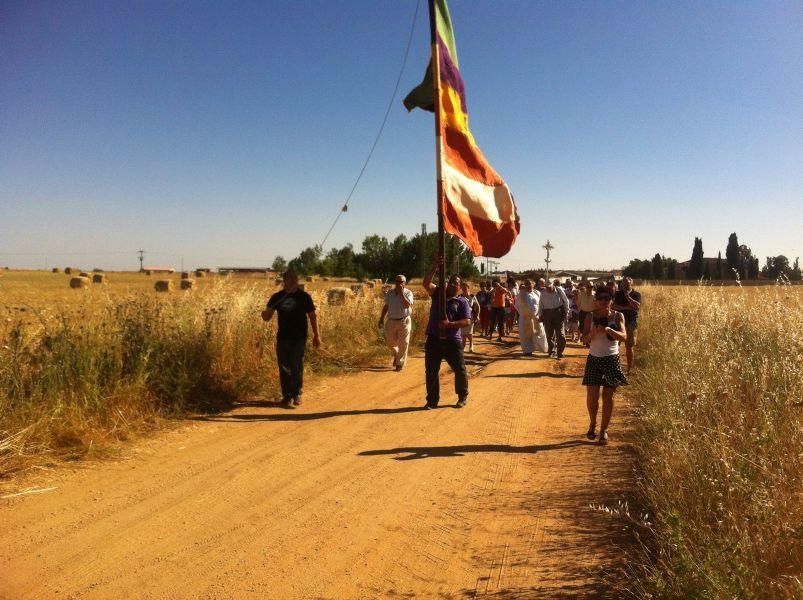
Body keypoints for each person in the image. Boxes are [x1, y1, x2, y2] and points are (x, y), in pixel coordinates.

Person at [261, 270, 321, 407]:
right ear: (284, 280)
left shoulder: (304, 297)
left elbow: (313, 316)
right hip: (283, 336)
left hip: (299, 336)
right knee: (284, 366)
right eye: (291, 278)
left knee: (295, 364)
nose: (294, 280)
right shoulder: (277, 297)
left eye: (295, 277)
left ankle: (297, 394)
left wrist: (317, 335)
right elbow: (267, 317)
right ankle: (286, 395)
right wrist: (264, 314)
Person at [422, 257, 472, 409]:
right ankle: (432, 400)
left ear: (460, 287)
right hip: (434, 339)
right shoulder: (438, 293)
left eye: (456, 283)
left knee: (460, 369)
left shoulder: (462, 302)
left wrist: (450, 324)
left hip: (452, 341)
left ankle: (462, 396)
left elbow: (467, 321)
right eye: (450, 281)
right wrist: (435, 267)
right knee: (431, 371)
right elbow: (425, 284)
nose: (452, 284)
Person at [581, 285, 628, 444]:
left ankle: (603, 430)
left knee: (608, 397)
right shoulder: (589, 317)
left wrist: (610, 331)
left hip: (611, 359)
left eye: (607, 298)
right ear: (595, 301)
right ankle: (593, 424)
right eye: (600, 298)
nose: (603, 301)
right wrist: (593, 334)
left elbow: (624, 337)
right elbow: (584, 340)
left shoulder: (618, 316)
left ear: (611, 300)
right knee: (592, 397)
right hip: (594, 359)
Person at [378, 274, 415, 371]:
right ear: (395, 282)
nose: (399, 284)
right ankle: (397, 355)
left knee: (404, 343)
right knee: (390, 342)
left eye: (401, 282)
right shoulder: (390, 293)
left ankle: (399, 364)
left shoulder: (408, 293)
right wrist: (381, 318)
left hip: (404, 320)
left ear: (404, 283)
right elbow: (386, 306)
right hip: (391, 320)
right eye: (397, 282)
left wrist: (401, 293)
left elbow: (407, 305)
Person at [613, 276, 642, 371]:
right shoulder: (617, 294)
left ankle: (629, 368)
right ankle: (614, 367)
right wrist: (626, 308)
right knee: (615, 345)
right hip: (618, 322)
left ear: (631, 284)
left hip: (631, 323)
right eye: (623, 283)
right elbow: (613, 306)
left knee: (629, 347)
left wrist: (628, 297)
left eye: (627, 283)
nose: (625, 285)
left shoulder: (636, 294)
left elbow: (637, 306)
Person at [538, 279, 570, 358]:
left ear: (553, 285)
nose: (548, 288)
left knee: (560, 334)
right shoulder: (543, 293)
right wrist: (540, 315)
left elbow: (566, 301)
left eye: (550, 287)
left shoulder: (559, 290)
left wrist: (567, 312)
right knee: (549, 334)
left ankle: (560, 352)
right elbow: (540, 305)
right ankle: (551, 351)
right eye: (547, 287)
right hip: (547, 314)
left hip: (558, 313)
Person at [516, 280, 546, 356]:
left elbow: (541, 304)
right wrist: (524, 314)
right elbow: (517, 305)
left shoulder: (537, 293)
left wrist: (540, 315)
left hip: (536, 317)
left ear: (533, 284)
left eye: (529, 284)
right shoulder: (521, 294)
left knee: (539, 333)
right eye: (526, 284)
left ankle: (542, 348)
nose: (528, 286)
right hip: (525, 318)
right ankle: (528, 351)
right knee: (526, 335)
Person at [459, 282, 480, 352]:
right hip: (462, 316)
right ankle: (463, 345)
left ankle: (471, 344)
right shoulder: (460, 297)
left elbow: (478, 306)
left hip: (470, 316)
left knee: (469, 332)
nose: (464, 289)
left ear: (468, 288)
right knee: (462, 332)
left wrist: (477, 315)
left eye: (465, 288)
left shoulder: (472, 296)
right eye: (463, 288)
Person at [577, 282, 595, 347]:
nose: (589, 288)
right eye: (588, 286)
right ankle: (585, 338)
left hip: (591, 313)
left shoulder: (595, 295)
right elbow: (578, 303)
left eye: (591, 287)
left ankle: (588, 341)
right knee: (582, 327)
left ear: (593, 287)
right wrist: (580, 311)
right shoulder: (581, 294)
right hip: (583, 313)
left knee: (590, 328)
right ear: (586, 287)